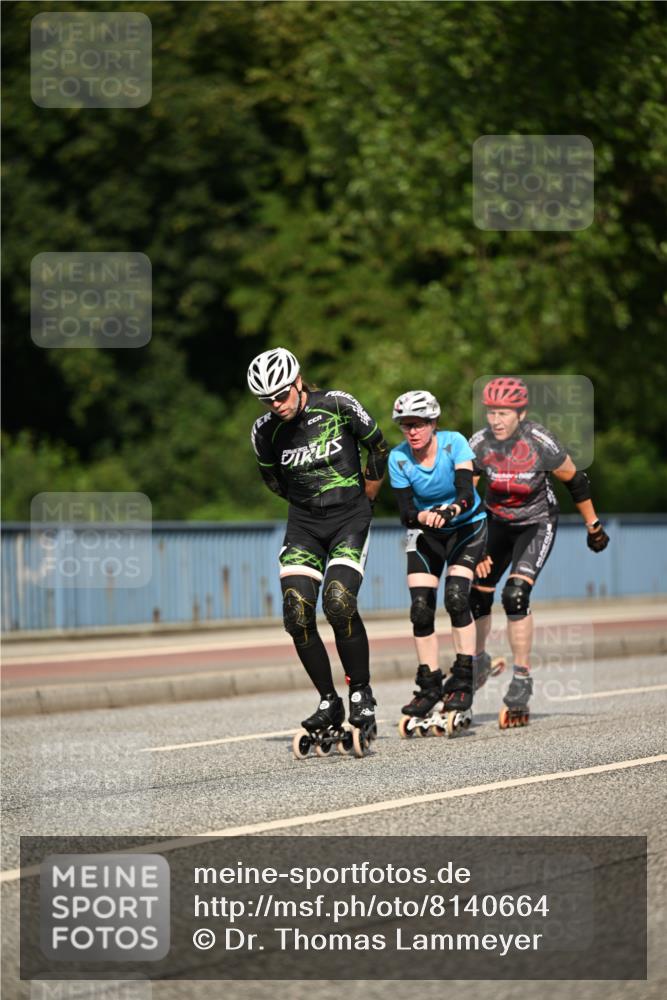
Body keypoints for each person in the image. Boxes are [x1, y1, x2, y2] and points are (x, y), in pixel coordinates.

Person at [248, 347, 388, 756]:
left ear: (297, 382)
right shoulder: (263, 431)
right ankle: (329, 701)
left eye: (281, 395)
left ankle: (360, 691)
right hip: (305, 524)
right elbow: (273, 481)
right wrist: (308, 504)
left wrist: (368, 496)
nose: (276, 404)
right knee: (296, 610)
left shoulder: (339, 405)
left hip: (349, 517)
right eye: (267, 400)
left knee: (339, 602)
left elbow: (379, 448)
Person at [469, 377, 610, 726]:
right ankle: (479, 660)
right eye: (491, 413)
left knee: (515, 595)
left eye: (504, 413)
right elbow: (467, 496)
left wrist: (594, 526)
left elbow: (576, 481)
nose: (496, 420)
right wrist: (474, 547)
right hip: (496, 522)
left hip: (536, 522)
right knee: (476, 593)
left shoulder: (539, 441)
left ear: (522, 413)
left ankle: (521, 677)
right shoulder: (479, 444)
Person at [388, 390, 488, 736]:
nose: (411, 432)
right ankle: (430, 685)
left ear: (433, 423)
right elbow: (404, 512)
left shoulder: (454, 443)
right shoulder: (398, 459)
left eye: (417, 424)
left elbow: (465, 491)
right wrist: (422, 515)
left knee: (457, 597)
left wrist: (448, 512)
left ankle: (462, 678)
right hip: (426, 532)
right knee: (420, 608)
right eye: (405, 426)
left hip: (466, 528)